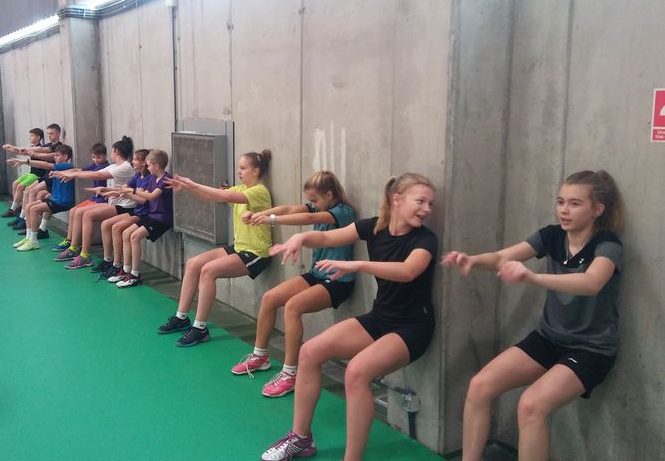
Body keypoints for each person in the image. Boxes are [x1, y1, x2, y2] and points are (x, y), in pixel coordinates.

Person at [443, 170, 624, 461]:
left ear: (597, 209)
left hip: (590, 349)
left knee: (530, 406)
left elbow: (592, 283)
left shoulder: (608, 245)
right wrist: (473, 260)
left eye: (575, 203)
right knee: (479, 385)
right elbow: (502, 257)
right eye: (560, 201)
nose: (564, 210)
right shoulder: (551, 236)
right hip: (549, 338)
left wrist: (532, 278)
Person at [261, 173, 437, 461]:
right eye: (421, 201)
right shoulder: (374, 227)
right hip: (380, 318)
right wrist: (301, 237)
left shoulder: (425, 239)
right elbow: (326, 236)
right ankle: (300, 439)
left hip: (412, 328)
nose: (427, 209)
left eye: (430, 203)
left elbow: (408, 271)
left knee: (356, 372)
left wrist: (357, 264)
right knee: (309, 352)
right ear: (397, 200)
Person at [231, 170, 356, 398]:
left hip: (338, 280)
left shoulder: (342, 212)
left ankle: (290, 374)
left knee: (292, 307)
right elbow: (289, 210)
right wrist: (260, 214)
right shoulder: (319, 207)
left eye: (315, 200)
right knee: (270, 298)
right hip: (317, 274)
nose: (312, 205)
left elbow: (309, 220)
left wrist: (269, 220)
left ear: (329, 195)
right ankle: (260, 356)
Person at [157, 150, 273, 347]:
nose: (239, 171)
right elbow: (212, 196)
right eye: (239, 168)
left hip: (256, 253)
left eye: (243, 168)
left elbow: (221, 194)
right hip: (239, 247)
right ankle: (181, 317)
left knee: (208, 271)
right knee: (193, 264)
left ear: (256, 171)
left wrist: (192, 183)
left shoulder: (259, 192)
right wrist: (187, 187)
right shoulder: (241, 187)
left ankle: (200, 328)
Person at [51, 136, 136, 268]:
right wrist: (65, 173)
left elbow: (98, 175)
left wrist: (73, 175)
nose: (111, 153)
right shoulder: (114, 166)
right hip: (113, 203)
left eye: (112, 151)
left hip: (125, 206)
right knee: (78, 212)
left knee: (88, 215)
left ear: (116, 151)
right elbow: (90, 171)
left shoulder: (125, 167)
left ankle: (85, 255)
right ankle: (74, 248)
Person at [106, 149, 174, 288]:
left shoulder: (166, 180)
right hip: (152, 216)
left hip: (162, 219)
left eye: (149, 165)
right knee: (126, 233)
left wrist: (132, 191)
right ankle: (126, 270)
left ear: (156, 166)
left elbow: (151, 196)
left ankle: (135, 275)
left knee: (135, 237)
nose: (147, 168)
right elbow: (142, 194)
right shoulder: (153, 179)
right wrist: (123, 192)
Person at [9, 145, 74, 251]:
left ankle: (33, 241)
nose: (55, 157)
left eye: (57, 155)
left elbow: (45, 165)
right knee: (29, 206)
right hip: (55, 199)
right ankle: (28, 237)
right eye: (55, 155)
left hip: (63, 202)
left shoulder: (67, 166)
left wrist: (26, 161)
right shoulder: (58, 168)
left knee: (34, 209)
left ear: (66, 157)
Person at [51, 143, 110, 252]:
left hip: (103, 199)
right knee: (73, 210)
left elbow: (90, 173)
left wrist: (71, 174)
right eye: (93, 157)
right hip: (95, 198)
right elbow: (78, 170)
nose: (96, 160)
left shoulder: (106, 167)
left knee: (79, 213)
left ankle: (75, 245)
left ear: (105, 156)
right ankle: (69, 240)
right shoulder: (94, 165)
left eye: (98, 157)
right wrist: (60, 173)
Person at [6, 123, 63, 231]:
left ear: (58, 133)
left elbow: (45, 154)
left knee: (33, 192)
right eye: (48, 133)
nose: (49, 135)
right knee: (28, 190)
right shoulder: (48, 145)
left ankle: (29, 223)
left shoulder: (59, 147)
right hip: (47, 176)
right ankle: (23, 218)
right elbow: (37, 151)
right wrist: (17, 150)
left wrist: (21, 151)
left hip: (53, 177)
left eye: (52, 133)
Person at [0, 127, 46, 218]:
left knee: (20, 186)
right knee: (15, 184)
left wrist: (14, 149)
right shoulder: (32, 148)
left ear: (38, 137)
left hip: (37, 175)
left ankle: (12, 209)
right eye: (30, 136)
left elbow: (30, 155)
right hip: (30, 173)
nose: (30, 138)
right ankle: (17, 206)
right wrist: (20, 160)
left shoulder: (40, 149)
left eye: (32, 136)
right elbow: (25, 154)